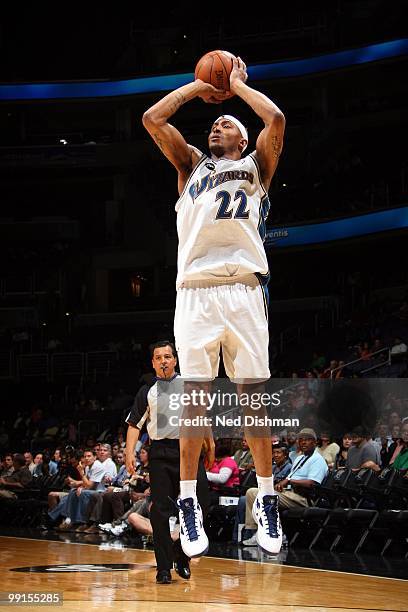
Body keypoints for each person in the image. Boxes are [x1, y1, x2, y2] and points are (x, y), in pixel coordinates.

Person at [142, 55, 285, 557]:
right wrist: (199, 85)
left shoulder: (256, 165)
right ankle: (187, 501)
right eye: (215, 122)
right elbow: (153, 119)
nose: (218, 124)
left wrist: (239, 85)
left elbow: (276, 120)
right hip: (196, 293)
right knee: (195, 407)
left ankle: (267, 499)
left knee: (253, 402)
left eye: (227, 123)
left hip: (245, 289)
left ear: (243, 140)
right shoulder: (189, 166)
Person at [125, 341, 211, 584]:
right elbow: (134, 425)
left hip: (190, 451)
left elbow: (201, 417)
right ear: (152, 363)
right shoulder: (147, 392)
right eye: (158, 357)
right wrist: (130, 452)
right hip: (161, 452)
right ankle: (163, 567)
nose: (163, 360)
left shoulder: (189, 385)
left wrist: (210, 443)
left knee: (201, 504)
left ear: (175, 360)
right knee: (160, 512)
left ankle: (182, 554)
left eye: (167, 356)